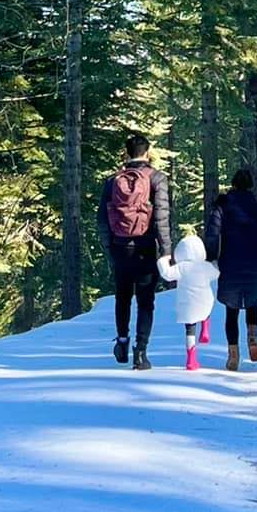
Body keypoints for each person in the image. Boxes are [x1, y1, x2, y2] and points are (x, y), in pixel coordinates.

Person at [97, 131, 172, 370]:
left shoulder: (112, 181)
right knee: (146, 301)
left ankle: (122, 342)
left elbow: (102, 218)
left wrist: (110, 247)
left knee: (122, 298)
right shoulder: (157, 178)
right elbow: (161, 217)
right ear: (148, 152)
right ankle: (141, 352)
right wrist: (166, 251)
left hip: (120, 247)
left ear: (126, 153)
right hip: (146, 247)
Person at [205, 166, 257, 371]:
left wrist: (211, 256)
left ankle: (233, 354)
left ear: (233, 183)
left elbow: (212, 233)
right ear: (250, 185)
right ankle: (253, 338)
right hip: (253, 261)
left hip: (229, 262)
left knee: (231, 310)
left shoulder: (222, 206)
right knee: (252, 302)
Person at [157, 232, 219, 371]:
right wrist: (215, 263)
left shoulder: (181, 267)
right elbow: (217, 273)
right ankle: (205, 329)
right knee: (206, 310)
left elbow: (166, 274)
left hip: (187, 305)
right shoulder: (205, 266)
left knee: (189, 331)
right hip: (204, 300)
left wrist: (163, 260)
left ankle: (191, 359)